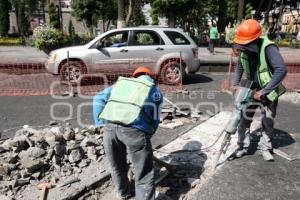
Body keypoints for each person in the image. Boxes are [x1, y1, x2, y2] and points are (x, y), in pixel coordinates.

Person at [93, 66, 163, 200]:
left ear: (135, 76)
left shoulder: (121, 84)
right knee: (144, 173)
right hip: (134, 131)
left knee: (117, 166)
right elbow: (155, 120)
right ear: (151, 76)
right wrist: (147, 136)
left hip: (110, 128)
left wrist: (100, 124)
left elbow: (98, 98)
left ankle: (123, 193)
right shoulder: (154, 90)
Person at [232, 19, 287, 161]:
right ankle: (243, 146)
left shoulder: (268, 48)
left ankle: (265, 147)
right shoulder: (244, 47)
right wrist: (235, 83)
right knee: (243, 118)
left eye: (246, 44)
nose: (243, 48)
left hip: (268, 90)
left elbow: (281, 70)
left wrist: (263, 92)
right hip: (251, 88)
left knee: (267, 120)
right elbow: (239, 67)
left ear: (254, 40)